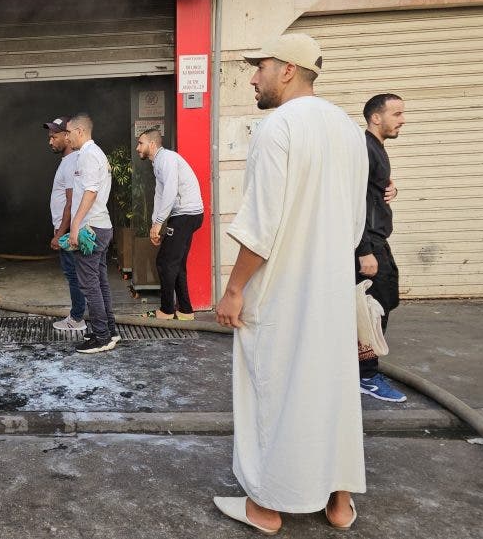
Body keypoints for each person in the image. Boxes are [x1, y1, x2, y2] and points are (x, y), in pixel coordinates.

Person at [213, 33, 367, 534]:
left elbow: (262, 225)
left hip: (282, 288)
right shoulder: (347, 129)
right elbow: (354, 223)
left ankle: (265, 506)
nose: (253, 77)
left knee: (271, 390)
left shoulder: (279, 126)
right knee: (334, 386)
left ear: (288, 70)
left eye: (260, 67)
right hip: (331, 285)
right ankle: (339, 502)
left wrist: (234, 288)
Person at [357, 93, 407, 403]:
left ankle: (363, 369)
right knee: (373, 309)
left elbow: (372, 191)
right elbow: (353, 201)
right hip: (369, 243)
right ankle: (366, 376)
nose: (403, 119)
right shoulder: (365, 148)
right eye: (397, 113)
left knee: (382, 303)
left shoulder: (376, 148)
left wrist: (391, 186)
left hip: (376, 240)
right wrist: (364, 250)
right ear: (377, 117)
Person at [135, 128, 204, 320]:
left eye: (140, 143)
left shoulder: (166, 159)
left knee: (165, 262)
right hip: (184, 215)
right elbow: (159, 194)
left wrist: (159, 223)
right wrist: (154, 225)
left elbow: (171, 191)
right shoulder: (159, 162)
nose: (137, 147)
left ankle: (166, 311)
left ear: (152, 144)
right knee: (177, 264)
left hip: (186, 214)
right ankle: (185, 311)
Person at [65, 114, 118, 354]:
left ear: (79, 131)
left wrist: (75, 226)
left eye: (68, 133)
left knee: (89, 286)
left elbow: (90, 191)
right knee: (100, 283)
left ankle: (101, 336)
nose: (66, 138)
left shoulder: (87, 155)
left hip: (90, 228)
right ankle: (110, 331)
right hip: (101, 225)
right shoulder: (97, 154)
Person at [44, 115, 87, 332]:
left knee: (74, 274)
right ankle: (79, 315)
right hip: (66, 227)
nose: (50, 141)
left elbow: (71, 202)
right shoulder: (68, 162)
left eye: (55, 136)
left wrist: (59, 233)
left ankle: (77, 318)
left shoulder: (72, 162)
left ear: (67, 137)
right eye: (49, 137)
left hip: (68, 229)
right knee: (76, 273)